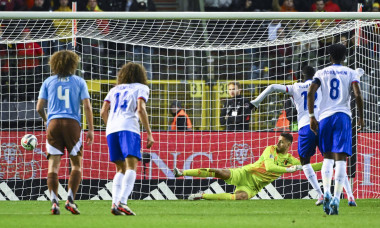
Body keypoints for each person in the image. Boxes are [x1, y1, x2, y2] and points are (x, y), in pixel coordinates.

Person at [250, 65, 357, 206]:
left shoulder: (295, 87)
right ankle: (350, 196)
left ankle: (320, 195)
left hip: (306, 126)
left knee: (305, 161)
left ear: (301, 76)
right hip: (323, 124)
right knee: (335, 159)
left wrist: (255, 102)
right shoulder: (322, 86)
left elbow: (272, 87)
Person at [174, 132, 321, 200]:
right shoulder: (270, 149)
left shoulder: (290, 159)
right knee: (219, 172)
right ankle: (181, 172)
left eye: (281, 142)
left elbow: (308, 166)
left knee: (241, 197)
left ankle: (202, 195)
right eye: (278, 140)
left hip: (253, 187)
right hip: (245, 173)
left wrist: (328, 163)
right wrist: (288, 170)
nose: (278, 143)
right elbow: (269, 167)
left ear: (289, 145)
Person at [307, 43, 364, 215]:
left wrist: (311, 116)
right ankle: (337, 199)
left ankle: (326, 193)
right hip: (343, 116)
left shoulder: (320, 72)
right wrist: (360, 117)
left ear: (330, 57)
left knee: (327, 158)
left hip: (324, 117)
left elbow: (310, 93)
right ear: (345, 57)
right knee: (341, 160)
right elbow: (357, 94)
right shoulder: (351, 72)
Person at [36, 50, 94, 215]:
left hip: (53, 124)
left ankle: (54, 202)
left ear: (54, 63)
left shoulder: (48, 81)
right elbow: (87, 106)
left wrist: (47, 119)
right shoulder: (79, 81)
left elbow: (39, 107)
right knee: (76, 164)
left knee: (53, 166)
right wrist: (90, 129)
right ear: (73, 64)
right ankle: (70, 199)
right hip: (72, 124)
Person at [100, 62, 154, 216]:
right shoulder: (142, 88)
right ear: (141, 75)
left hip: (111, 129)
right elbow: (141, 108)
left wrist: (110, 125)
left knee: (120, 168)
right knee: (131, 167)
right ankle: (122, 202)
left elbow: (103, 111)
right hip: (128, 127)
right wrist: (149, 133)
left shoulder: (114, 89)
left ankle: (114, 204)